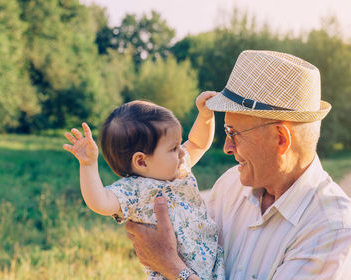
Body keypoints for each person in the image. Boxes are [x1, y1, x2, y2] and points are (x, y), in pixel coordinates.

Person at [125, 50, 351, 280]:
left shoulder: (331, 228)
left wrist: (171, 267)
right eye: (226, 131)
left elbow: (174, 261)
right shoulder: (229, 185)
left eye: (233, 133)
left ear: (281, 138)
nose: (227, 147)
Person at [63, 92, 225, 280]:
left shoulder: (179, 168)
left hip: (213, 268)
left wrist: (205, 116)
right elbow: (100, 202)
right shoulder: (135, 190)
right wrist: (88, 165)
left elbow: (198, 143)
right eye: (173, 148)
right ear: (141, 161)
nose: (182, 151)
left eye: (180, 144)